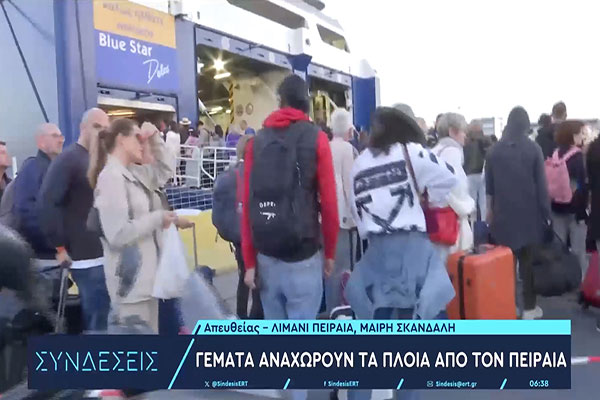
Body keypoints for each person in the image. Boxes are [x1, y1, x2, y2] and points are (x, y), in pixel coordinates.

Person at [345, 107, 457, 400]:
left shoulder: (359, 163)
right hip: (412, 253)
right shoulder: (412, 153)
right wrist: (427, 197)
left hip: (376, 255)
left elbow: (356, 211)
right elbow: (450, 178)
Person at [241, 75, 338, 400]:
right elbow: (329, 203)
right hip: (303, 255)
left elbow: (248, 204)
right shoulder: (316, 138)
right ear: (306, 102)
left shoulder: (257, 142)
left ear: (280, 101)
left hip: (267, 256)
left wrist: (250, 262)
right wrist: (330, 253)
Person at [88, 119, 177, 332]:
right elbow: (117, 234)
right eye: (137, 138)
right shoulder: (111, 178)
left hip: (148, 282)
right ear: (121, 139)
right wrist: (157, 218)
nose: (141, 143)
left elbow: (165, 171)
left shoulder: (133, 173)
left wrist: (154, 139)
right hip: (130, 287)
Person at [38, 108, 111, 331]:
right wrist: (60, 247)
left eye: (105, 128)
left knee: (105, 318)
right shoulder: (68, 160)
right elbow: (47, 203)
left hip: (103, 254)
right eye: (96, 126)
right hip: (85, 258)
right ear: (82, 128)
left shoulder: (98, 160)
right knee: (98, 322)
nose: (101, 132)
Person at [485, 106, 551, 320]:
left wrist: (489, 212)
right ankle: (530, 308)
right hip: (530, 215)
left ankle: (508, 306)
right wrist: (546, 213)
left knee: (505, 266)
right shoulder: (533, 149)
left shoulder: (493, 151)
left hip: (502, 216)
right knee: (528, 265)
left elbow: (489, 188)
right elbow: (542, 186)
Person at [14, 123, 64, 269]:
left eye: (61, 136)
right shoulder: (32, 169)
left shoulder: (58, 169)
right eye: (55, 136)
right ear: (41, 142)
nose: (61, 140)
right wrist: (56, 244)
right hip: (45, 256)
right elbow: (26, 212)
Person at [325, 108, 357, 313]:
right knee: (342, 268)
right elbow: (349, 185)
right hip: (342, 217)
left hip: (325, 216)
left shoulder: (326, 147)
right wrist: (355, 216)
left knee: (328, 269)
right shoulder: (347, 149)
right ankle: (340, 312)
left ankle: (330, 310)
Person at [432, 113, 475, 260]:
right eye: (462, 131)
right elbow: (458, 188)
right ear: (452, 131)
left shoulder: (434, 151)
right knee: (455, 263)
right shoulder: (452, 152)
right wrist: (469, 205)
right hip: (451, 220)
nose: (465, 136)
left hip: (434, 218)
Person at [551, 120, 588, 278]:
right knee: (579, 250)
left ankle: (560, 280)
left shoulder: (555, 154)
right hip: (574, 209)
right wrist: (583, 211)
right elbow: (581, 185)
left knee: (558, 249)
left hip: (556, 207)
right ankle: (580, 281)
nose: (582, 136)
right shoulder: (577, 156)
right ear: (573, 135)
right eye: (580, 133)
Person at [233, 135, 263, 319]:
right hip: (255, 235)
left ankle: (241, 317)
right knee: (257, 280)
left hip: (238, 237)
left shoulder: (231, 174)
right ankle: (254, 319)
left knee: (243, 277)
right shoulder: (259, 173)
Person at [463, 119, 492, 220]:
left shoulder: (465, 140)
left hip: (469, 173)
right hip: (482, 172)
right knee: (483, 202)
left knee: (472, 201)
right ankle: (484, 223)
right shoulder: (485, 139)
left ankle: (472, 223)